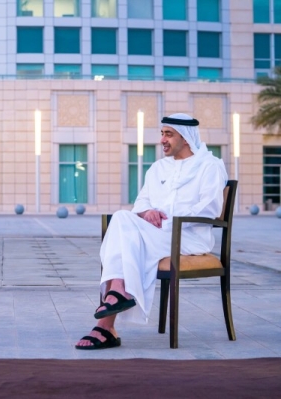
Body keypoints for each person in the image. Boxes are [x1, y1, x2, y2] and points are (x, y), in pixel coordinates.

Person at [75, 113, 228, 350]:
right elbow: (141, 202)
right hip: (156, 235)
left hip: (187, 238)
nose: (162, 140)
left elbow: (210, 208)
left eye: (169, 134)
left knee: (127, 239)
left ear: (186, 138)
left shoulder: (210, 166)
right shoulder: (157, 168)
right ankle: (117, 299)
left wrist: (169, 222)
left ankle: (108, 322)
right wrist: (147, 213)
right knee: (122, 218)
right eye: (162, 133)